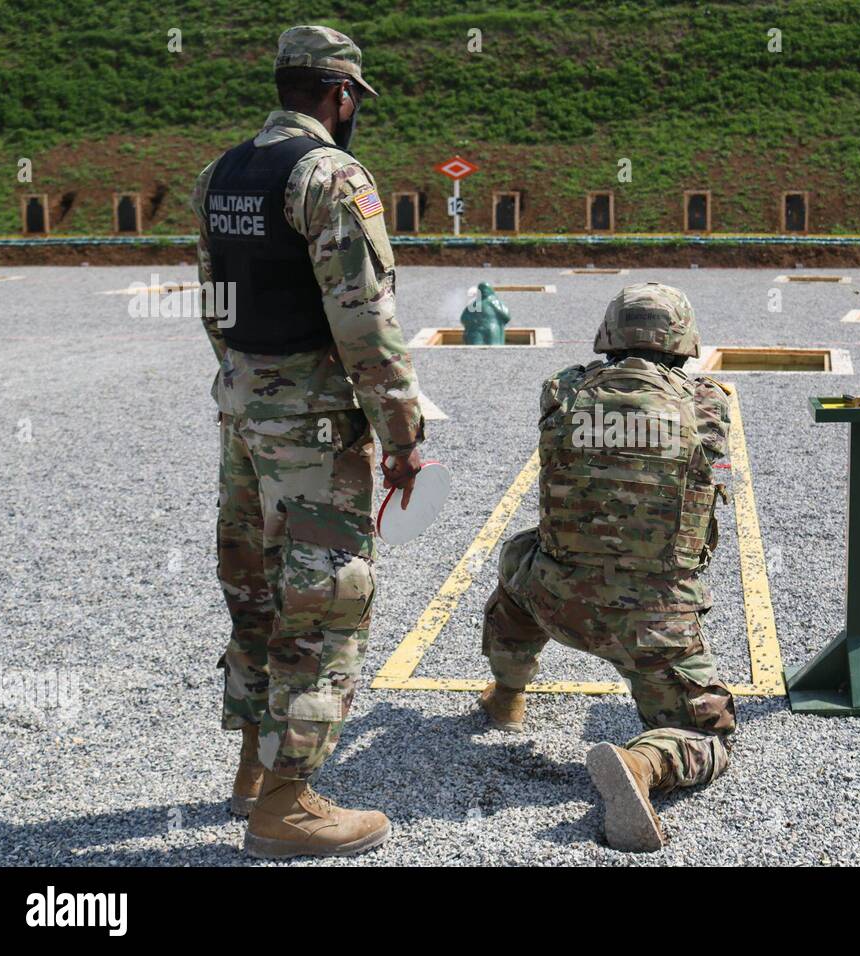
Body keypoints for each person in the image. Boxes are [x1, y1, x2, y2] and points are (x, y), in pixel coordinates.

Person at [190, 25, 425, 859]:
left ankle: (253, 770)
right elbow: (364, 320)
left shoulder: (221, 174)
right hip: (315, 434)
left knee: (254, 590)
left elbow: (216, 304)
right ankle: (287, 805)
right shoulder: (330, 175)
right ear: (338, 95)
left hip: (244, 416)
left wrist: (245, 390)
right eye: (353, 98)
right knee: (325, 601)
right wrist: (401, 432)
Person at [479, 282, 737, 852]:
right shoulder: (708, 403)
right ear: (683, 340)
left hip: (557, 598)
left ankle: (506, 696)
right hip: (654, 626)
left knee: (517, 560)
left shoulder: (562, 390)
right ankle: (641, 765)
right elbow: (717, 480)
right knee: (708, 734)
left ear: (610, 335)